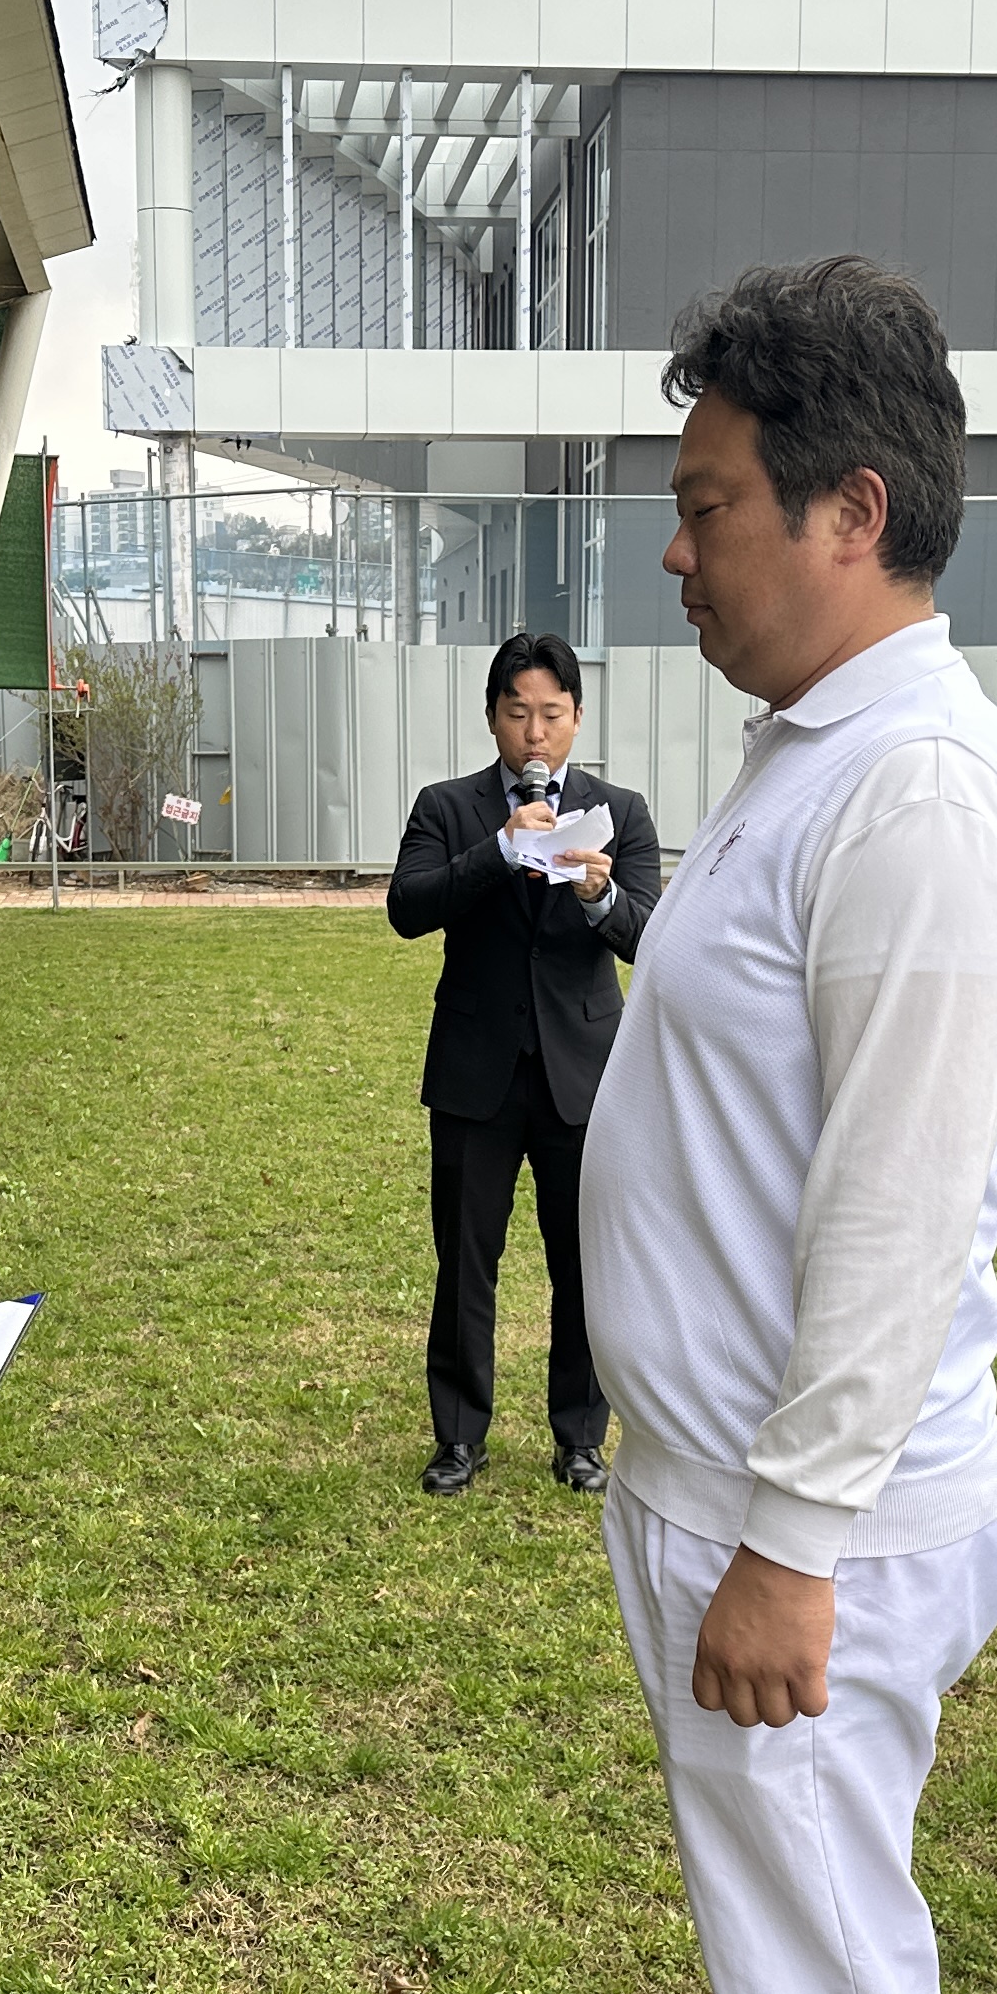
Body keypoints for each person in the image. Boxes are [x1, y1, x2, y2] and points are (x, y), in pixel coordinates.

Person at [573, 256, 997, 1994]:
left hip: (809, 1526)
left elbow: (897, 1210)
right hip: (725, 1490)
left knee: (843, 1977)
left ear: (849, 511)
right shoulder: (816, 757)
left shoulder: (923, 788)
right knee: (791, 1948)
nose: (678, 554)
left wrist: (790, 1542)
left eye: (711, 505)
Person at [384, 631, 662, 1496]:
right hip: (477, 1071)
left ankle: (580, 1437)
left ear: (577, 718)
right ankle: (458, 1438)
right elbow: (407, 907)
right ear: (492, 717)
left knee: (585, 1265)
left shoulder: (621, 812)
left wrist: (601, 896)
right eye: (517, 713)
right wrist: (500, 849)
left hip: (585, 1074)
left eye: (551, 714)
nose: (534, 734)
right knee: (466, 1261)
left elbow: (652, 937)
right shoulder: (448, 807)